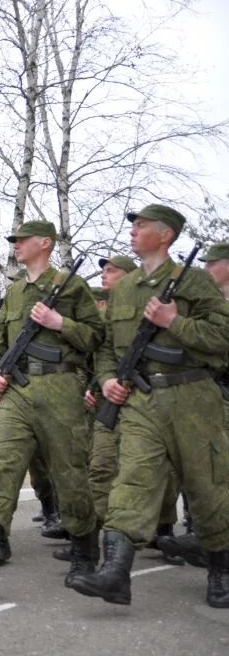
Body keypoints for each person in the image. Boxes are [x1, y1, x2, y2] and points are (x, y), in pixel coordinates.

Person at [69, 205, 229, 608]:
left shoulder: (194, 281)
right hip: (140, 401)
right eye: (133, 225)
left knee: (207, 486)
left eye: (142, 226)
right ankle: (116, 572)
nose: (133, 232)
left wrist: (175, 321)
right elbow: (105, 347)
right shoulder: (123, 289)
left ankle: (222, 570)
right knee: (132, 480)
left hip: (192, 397)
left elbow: (223, 338)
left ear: (166, 235)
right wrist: (107, 380)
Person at [0, 220, 103, 589]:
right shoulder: (15, 292)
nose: (15, 245)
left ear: (45, 243)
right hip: (15, 390)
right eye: (14, 240)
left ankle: (84, 553)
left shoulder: (70, 285)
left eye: (22, 240)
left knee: (69, 472)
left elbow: (97, 337)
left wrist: (60, 322)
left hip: (60, 386)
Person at [153, 243, 229, 573]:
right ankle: (201, 534)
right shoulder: (210, 305)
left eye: (213, 264)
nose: (207, 270)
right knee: (202, 470)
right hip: (210, 394)